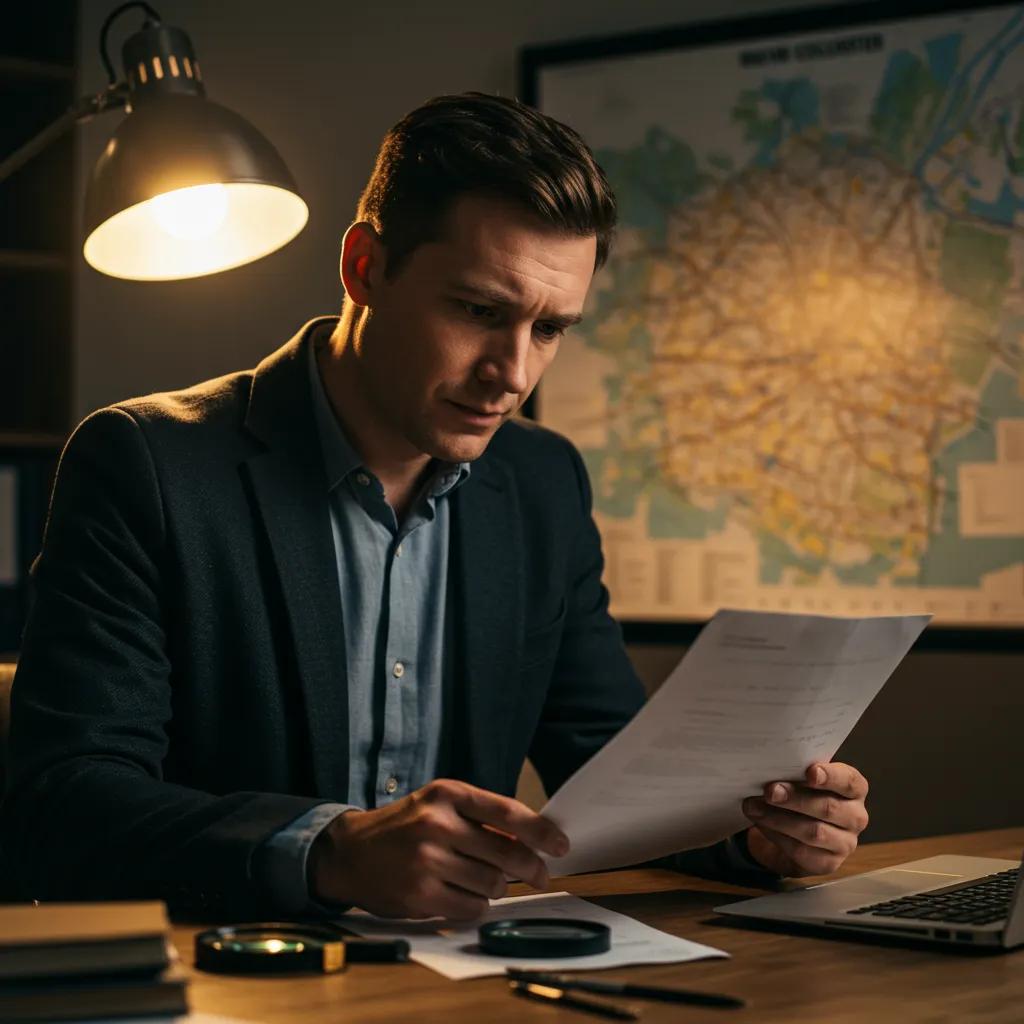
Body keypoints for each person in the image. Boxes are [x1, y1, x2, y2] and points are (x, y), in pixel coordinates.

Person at [1, 93, 868, 921]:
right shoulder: (146, 463)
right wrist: (329, 849)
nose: (514, 374)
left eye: (551, 329)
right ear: (364, 268)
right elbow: (64, 802)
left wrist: (760, 835)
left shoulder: (543, 482)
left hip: (463, 979)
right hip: (223, 973)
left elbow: (614, 782)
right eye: (478, 311)